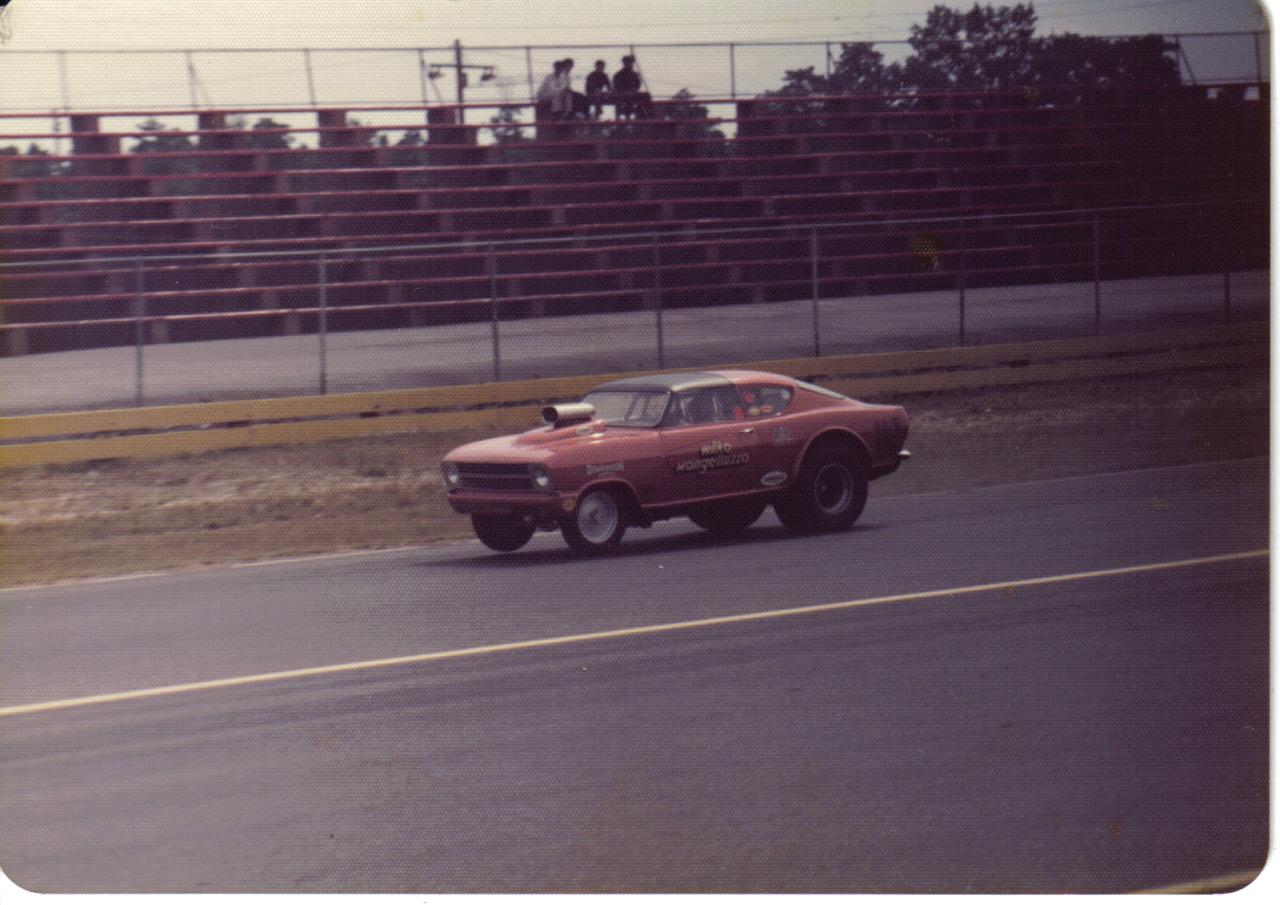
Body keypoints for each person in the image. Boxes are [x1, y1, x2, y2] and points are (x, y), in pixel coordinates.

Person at [613, 55, 652, 119]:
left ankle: (648, 115)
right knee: (626, 98)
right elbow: (616, 86)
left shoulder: (634, 74)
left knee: (646, 95)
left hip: (633, 93)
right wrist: (625, 91)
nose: (629, 64)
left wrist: (634, 89)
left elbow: (638, 85)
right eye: (627, 62)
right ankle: (627, 115)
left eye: (630, 62)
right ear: (624, 63)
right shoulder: (618, 74)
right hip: (622, 94)